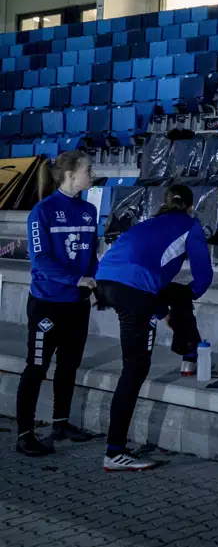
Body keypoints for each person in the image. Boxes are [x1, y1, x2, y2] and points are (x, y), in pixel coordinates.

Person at [94, 184, 213, 471]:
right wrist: (189, 296)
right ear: (190, 206)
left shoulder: (150, 222)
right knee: (134, 369)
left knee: (169, 296)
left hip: (105, 281)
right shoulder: (191, 225)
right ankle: (115, 452)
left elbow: (151, 277)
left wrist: (164, 312)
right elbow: (203, 275)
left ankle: (189, 351)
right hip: (132, 289)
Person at [15, 151, 100, 456]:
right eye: (88, 169)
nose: (92, 173)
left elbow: (91, 258)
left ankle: (60, 424)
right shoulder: (43, 211)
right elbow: (40, 261)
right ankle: (24, 434)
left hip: (77, 305)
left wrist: (96, 283)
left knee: (68, 364)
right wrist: (75, 280)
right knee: (36, 367)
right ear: (69, 174)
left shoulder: (90, 210)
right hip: (48, 304)